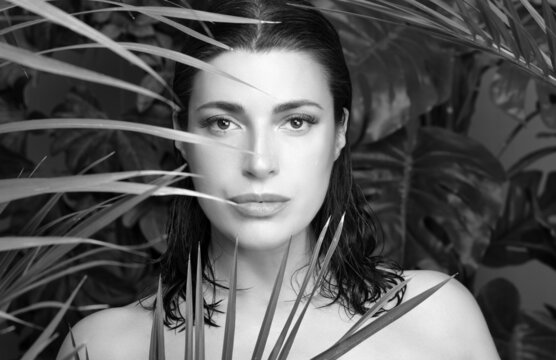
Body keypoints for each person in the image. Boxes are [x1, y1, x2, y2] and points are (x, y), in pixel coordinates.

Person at [57, 0, 500, 359]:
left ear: (339, 131)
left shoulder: (433, 318)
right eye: (222, 123)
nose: (260, 162)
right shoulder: (105, 347)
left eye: (296, 121)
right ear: (181, 134)